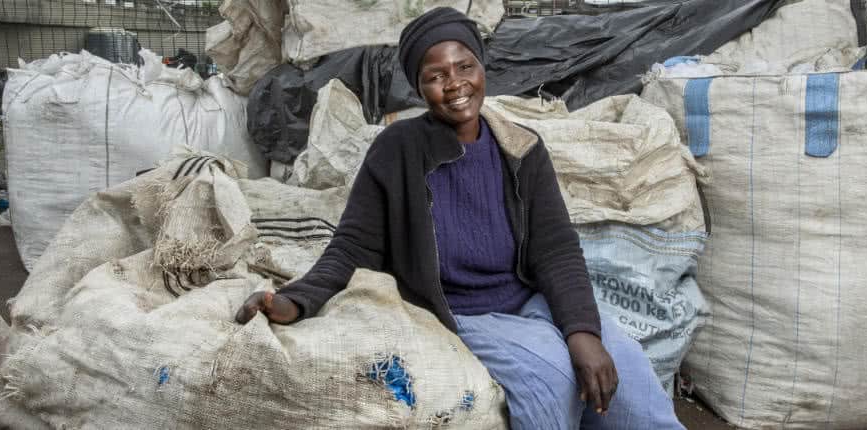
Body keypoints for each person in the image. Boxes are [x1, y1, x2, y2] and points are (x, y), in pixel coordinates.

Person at [235, 7, 683, 429]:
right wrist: (297, 300)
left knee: (623, 365)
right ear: (418, 86)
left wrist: (583, 330)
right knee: (551, 378)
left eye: (464, 66)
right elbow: (354, 244)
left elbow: (556, 249)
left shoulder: (521, 148)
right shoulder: (399, 149)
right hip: (461, 310)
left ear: (481, 67)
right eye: (436, 75)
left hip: (527, 298)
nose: (454, 84)